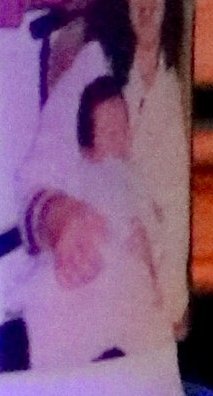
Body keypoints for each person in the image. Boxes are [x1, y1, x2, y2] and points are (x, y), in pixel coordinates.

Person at [14, 0, 192, 359]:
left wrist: (174, 310)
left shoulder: (179, 83)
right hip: (88, 309)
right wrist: (59, 216)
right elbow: (32, 182)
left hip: (159, 324)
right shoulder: (95, 67)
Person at [22, 68, 176, 368]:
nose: (122, 139)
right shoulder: (101, 171)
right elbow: (135, 230)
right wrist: (155, 279)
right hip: (90, 273)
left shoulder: (127, 173)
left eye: (125, 128)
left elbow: (150, 215)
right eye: (111, 132)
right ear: (88, 146)